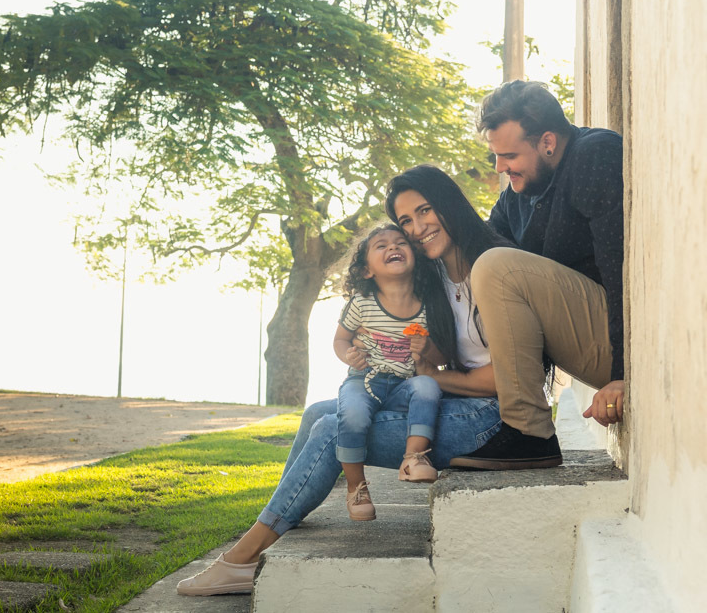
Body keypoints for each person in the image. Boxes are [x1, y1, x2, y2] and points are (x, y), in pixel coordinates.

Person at [176, 165, 511, 597]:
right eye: (406, 221)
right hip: (452, 402)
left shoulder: (491, 269)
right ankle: (279, 517)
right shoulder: (438, 275)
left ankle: (243, 558)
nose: (416, 228)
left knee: (331, 427)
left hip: (485, 421)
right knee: (318, 410)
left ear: (448, 205)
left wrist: (435, 375)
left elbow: (508, 378)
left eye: (425, 211)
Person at [449, 80, 624, 471]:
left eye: (509, 155)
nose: (500, 167)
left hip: (626, 343)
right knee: (486, 263)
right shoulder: (518, 193)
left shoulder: (595, 155)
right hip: (590, 339)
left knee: (497, 266)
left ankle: (529, 434)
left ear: (547, 141)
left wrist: (623, 374)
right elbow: (477, 246)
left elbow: (621, 268)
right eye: (496, 155)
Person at [333, 224, 447, 523]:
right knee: (353, 415)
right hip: (364, 381)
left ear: (415, 258)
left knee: (427, 386)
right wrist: (350, 355)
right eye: (381, 246)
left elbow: (440, 358)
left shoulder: (429, 307)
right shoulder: (362, 304)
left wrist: (426, 348)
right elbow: (341, 339)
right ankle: (357, 487)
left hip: (403, 386)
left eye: (400, 243)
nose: (393, 248)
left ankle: (413, 458)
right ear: (367, 270)